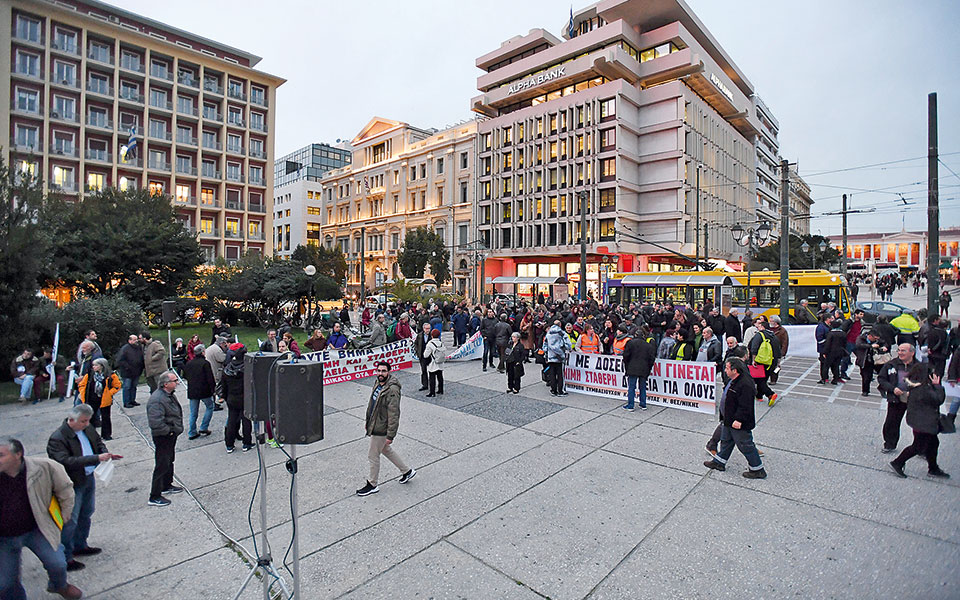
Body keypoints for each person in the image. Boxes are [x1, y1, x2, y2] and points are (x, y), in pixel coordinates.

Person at [0, 437, 83, 600]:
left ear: (18, 454)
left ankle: (59, 586)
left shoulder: (44, 467)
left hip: (37, 529)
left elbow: (65, 489)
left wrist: (66, 514)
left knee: (57, 564)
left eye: (1, 455)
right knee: (5, 583)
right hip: (5, 538)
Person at [46, 404, 122, 572]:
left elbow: (98, 442)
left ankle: (80, 545)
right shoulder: (58, 438)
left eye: (88, 421)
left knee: (86, 512)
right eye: (83, 421)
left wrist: (105, 453)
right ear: (71, 420)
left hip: (87, 478)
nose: (86, 424)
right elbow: (65, 461)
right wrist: (95, 458)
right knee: (70, 520)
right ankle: (66, 557)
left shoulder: (87, 429)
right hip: (70, 483)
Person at [356, 361, 416, 496]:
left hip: (382, 427)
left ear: (389, 371)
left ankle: (372, 484)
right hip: (374, 423)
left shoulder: (392, 389)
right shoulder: (378, 383)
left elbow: (394, 413)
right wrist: (368, 422)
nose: (380, 373)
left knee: (373, 455)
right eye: (378, 371)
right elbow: (372, 404)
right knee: (385, 450)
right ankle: (407, 471)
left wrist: (390, 435)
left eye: (383, 371)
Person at [703, 358, 767, 479]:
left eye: (727, 368)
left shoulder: (745, 384)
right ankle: (719, 462)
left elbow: (745, 406)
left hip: (738, 422)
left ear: (735, 370)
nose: (725, 370)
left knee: (745, 445)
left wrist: (739, 420)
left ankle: (757, 469)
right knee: (726, 441)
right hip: (729, 420)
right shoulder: (734, 380)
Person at [889, 363, 949, 478]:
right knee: (918, 446)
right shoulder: (923, 389)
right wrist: (938, 386)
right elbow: (938, 399)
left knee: (933, 443)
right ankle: (898, 462)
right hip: (923, 423)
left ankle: (933, 468)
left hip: (920, 420)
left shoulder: (916, 386)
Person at [146, 371, 184, 507]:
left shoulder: (168, 395)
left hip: (170, 435)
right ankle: (154, 496)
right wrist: (169, 432)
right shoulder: (157, 400)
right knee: (161, 464)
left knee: (169, 460)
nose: (177, 383)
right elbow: (156, 422)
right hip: (163, 437)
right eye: (175, 381)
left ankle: (166, 485)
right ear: (166, 384)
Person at [877, 343, 918, 453]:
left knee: (919, 424)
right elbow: (881, 379)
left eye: (903, 351)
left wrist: (914, 392)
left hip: (914, 400)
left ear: (912, 353)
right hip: (896, 398)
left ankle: (921, 447)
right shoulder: (891, 364)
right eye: (899, 350)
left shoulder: (919, 367)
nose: (899, 353)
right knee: (892, 422)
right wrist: (892, 389)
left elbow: (924, 382)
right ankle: (890, 444)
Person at [77, 358, 121, 440]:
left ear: (102, 366)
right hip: (91, 399)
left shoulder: (110, 375)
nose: (94, 367)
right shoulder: (90, 375)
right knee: (91, 418)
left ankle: (106, 435)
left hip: (104, 399)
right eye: (93, 365)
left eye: (96, 365)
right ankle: (91, 436)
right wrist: (83, 392)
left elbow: (117, 386)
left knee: (106, 417)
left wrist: (109, 393)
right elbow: (82, 385)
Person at [221, 344, 253, 453]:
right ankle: (246, 443)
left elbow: (223, 386)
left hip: (231, 397)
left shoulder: (227, 368)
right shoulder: (247, 369)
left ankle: (229, 444)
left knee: (231, 420)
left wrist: (226, 397)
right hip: (244, 397)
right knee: (246, 421)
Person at [182, 344, 216, 440]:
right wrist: (213, 389)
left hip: (192, 390)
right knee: (210, 407)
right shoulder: (205, 363)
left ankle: (192, 432)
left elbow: (185, 375)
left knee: (193, 412)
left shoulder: (189, 363)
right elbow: (210, 379)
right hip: (204, 390)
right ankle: (204, 427)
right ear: (202, 352)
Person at [621, 331, 656, 411]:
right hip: (644, 368)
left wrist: (627, 365)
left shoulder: (630, 343)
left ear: (635, 335)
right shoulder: (648, 346)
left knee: (631, 387)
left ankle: (630, 405)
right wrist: (649, 368)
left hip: (632, 367)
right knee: (643, 387)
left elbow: (626, 356)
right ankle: (643, 404)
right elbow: (652, 358)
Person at [854, 330, 887, 397]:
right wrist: (871, 346)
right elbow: (859, 345)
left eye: (877, 339)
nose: (876, 340)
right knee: (866, 376)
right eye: (875, 338)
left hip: (877, 360)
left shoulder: (878, 340)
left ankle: (882, 388)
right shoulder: (861, 338)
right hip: (865, 360)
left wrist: (884, 346)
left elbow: (884, 343)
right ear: (870, 336)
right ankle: (865, 390)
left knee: (884, 374)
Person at [543, 321, 572, 396]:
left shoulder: (548, 333)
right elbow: (568, 344)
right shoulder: (561, 333)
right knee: (560, 374)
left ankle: (553, 390)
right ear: (560, 325)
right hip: (559, 357)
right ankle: (560, 391)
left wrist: (547, 354)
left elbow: (545, 345)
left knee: (552, 374)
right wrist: (567, 349)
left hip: (551, 357)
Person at [115, 334, 144, 408]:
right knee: (127, 387)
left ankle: (132, 400)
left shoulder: (138, 348)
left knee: (134, 386)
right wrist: (128, 367)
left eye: (136, 339)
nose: (136, 341)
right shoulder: (125, 349)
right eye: (134, 340)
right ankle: (126, 402)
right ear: (129, 340)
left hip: (137, 371)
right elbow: (120, 360)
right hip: (127, 372)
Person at [423, 330, 445, 397]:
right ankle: (440, 390)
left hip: (433, 363)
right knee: (440, 377)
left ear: (432, 335)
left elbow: (425, 355)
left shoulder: (430, 344)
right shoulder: (441, 343)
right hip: (440, 362)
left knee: (432, 378)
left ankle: (432, 392)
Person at [413, 322, 433, 392]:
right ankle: (425, 385)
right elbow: (416, 343)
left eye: (429, 328)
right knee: (423, 371)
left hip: (430, 356)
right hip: (422, 355)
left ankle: (432, 384)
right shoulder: (420, 335)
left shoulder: (432, 335)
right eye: (426, 328)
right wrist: (417, 351)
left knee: (432, 371)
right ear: (423, 329)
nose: (428, 330)